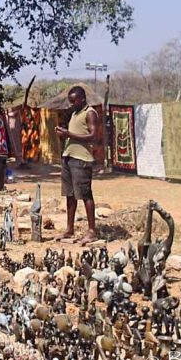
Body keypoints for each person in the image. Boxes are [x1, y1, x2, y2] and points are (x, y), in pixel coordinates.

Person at [55, 86, 101, 244]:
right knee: (70, 194)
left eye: (74, 101)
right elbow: (76, 134)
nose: (72, 104)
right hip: (69, 156)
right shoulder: (75, 113)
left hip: (81, 159)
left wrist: (68, 134)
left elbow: (93, 136)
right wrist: (64, 134)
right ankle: (69, 229)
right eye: (70, 101)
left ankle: (92, 231)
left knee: (85, 194)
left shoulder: (90, 113)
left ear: (82, 98)